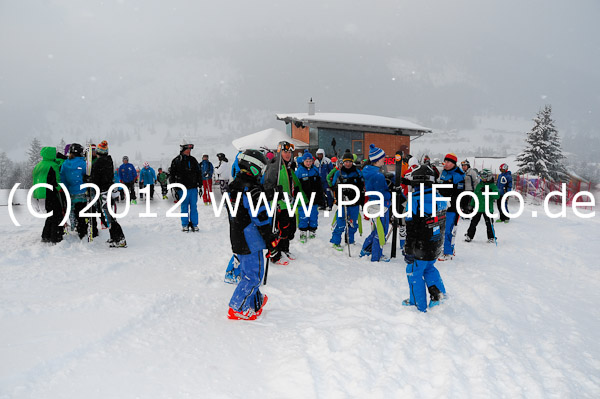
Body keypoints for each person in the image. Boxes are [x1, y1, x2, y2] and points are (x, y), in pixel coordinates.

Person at [226, 149, 276, 320]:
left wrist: (266, 194)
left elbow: (242, 208)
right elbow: (261, 217)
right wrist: (270, 238)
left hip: (238, 236)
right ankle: (237, 308)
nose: (261, 173)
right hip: (251, 240)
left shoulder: (234, 186)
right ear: (253, 167)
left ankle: (255, 302)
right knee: (253, 276)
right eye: (260, 169)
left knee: (248, 272)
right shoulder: (252, 189)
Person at [402, 164, 447, 312]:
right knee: (429, 268)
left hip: (419, 248)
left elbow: (411, 227)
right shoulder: (439, 197)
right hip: (434, 244)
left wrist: (409, 249)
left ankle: (417, 304)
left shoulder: (415, 200)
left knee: (413, 273)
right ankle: (438, 297)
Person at [262, 141, 304, 264]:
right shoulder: (275, 165)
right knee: (279, 229)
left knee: (289, 229)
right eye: (285, 152)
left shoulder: (288, 165)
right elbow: (268, 186)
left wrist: (295, 191)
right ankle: (275, 255)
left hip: (289, 203)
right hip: (279, 204)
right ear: (280, 151)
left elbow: (290, 182)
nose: (288, 154)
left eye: (290, 152)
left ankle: (285, 249)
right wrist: (280, 195)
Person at [90, 140, 127, 247]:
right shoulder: (108, 160)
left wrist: (89, 180)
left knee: (109, 216)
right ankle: (113, 237)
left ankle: (120, 239)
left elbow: (95, 178)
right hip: (108, 189)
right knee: (109, 215)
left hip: (103, 191)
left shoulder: (99, 163)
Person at [360, 144, 391, 262]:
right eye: (383, 157)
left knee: (377, 230)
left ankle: (366, 249)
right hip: (380, 204)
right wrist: (390, 194)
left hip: (373, 203)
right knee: (381, 231)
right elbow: (381, 193)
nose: (384, 159)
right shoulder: (377, 175)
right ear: (377, 159)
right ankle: (376, 256)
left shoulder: (370, 171)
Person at [330, 150, 364, 251]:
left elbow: (362, 187)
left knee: (353, 223)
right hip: (343, 202)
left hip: (354, 202)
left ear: (352, 162)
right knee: (341, 222)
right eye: (345, 162)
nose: (347, 164)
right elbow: (333, 185)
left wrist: (361, 201)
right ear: (342, 162)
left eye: (349, 161)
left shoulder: (357, 173)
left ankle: (350, 240)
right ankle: (336, 242)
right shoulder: (339, 173)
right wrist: (339, 189)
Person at [32, 146, 64, 244]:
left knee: (50, 215)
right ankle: (55, 237)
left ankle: (46, 235)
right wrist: (60, 189)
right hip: (50, 193)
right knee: (57, 215)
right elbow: (57, 182)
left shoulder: (38, 165)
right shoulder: (53, 165)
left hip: (39, 194)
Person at [437, 153, 465, 261]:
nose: (446, 164)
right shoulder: (444, 172)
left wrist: (452, 202)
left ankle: (448, 252)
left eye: (448, 162)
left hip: (452, 207)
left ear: (453, 163)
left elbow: (459, 193)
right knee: (440, 228)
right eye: (445, 161)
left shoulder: (458, 175)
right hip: (441, 205)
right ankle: (442, 249)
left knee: (449, 229)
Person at [170, 141, 202, 232]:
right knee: (184, 207)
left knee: (194, 207)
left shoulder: (193, 160)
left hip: (193, 188)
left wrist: (200, 185)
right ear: (182, 150)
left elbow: (198, 173)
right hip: (182, 189)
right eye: (187, 149)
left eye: (190, 149)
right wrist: (174, 188)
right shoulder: (176, 161)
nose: (189, 151)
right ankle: (185, 224)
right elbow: (172, 175)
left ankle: (194, 224)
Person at [60, 143, 89, 239]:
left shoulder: (65, 163)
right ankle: (82, 231)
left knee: (73, 211)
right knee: (82, 212)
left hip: (70, 192)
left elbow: (62, 178)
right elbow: (87, 175)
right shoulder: (82, 163)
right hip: (81, 191)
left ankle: (75, 226)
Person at [295, 150, 324, 243]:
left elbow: (319, 185)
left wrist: (320, 197)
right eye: (306, 161)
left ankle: (312, 231)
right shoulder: (299, 171)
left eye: (310, 161)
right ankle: (303, 232)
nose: (308, 163)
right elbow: (295, 186)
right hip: (303, 198)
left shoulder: (315, 170)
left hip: (313, 198)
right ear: (303, 161)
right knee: (303, 215)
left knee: (313, 215)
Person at [464, 169, 499, 243]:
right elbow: (475, 195)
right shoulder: (479, 185)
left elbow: (497, 196)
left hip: (487, 208)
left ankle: (491, 237)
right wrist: (471, 205)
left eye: (484, 176)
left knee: (489, 223)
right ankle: (469, 235)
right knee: (473, 222)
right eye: (481, 176)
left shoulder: (492, 186)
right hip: (478, 208)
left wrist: (489, 191)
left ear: (489, 177)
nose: (482, 178)